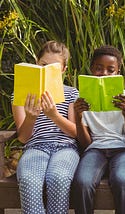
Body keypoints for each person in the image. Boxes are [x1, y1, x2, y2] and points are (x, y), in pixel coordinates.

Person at [12, 40, 79, 214]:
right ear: (36, 63)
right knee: (28, 180)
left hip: (66, 147)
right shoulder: (20, 94)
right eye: (43, 65)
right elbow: (23, 137)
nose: (46, 69)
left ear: (63, 70)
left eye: (54, 67)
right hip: (35, 147)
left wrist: (54, 116)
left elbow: (75, 133)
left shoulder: (72, 93)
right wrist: (31, 118)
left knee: (59, 178)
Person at [72, 45, 125, 214]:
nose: (104, 74)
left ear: (118, 72)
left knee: (123, 180)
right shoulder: (82, 98)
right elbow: (86, 144)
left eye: (111, 70)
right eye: (99, 69)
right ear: (91, 69)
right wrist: (79, 117)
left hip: (123, 150)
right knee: (83, 182)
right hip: (95, 149)